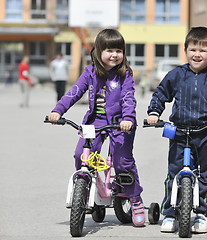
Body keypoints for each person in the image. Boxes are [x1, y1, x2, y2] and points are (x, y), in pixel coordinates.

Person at [47, 29, 145, 227]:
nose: (115, 55)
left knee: (122, 162)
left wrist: (128, 118)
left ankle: (134, 198)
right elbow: (74, 93)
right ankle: (84, 190)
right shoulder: (90, 72)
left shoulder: (124, 74)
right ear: (98, 51)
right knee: (80, 155)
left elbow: (128, 98)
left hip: (120, 122)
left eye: (119, 50)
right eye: (109, 50)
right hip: (95, 121)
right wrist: (58, 110)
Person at [146, 26, 207, 234]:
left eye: (203, 50)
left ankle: (204, 214)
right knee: (174, 174)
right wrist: (154, 112)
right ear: (185, 50)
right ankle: (170, 213)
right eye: (193, 49)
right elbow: (161, 94)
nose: (197, 54)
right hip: (179, 132)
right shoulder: (176, 75)